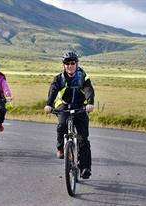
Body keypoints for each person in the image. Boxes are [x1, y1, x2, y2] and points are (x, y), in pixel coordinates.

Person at [44, 51, 95, 179]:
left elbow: (89, 90)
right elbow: (53, 92)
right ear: (63, 65)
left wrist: (90, 103)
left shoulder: (83, 76)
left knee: (83, 139)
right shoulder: (59, 78)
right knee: (62, 125)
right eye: (67, 63)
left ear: (76, 64)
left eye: (72, 63)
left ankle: (85, 168)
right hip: (64, 105)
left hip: (80, 107)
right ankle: (60, 147)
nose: (70, 65)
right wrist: (49, 104)